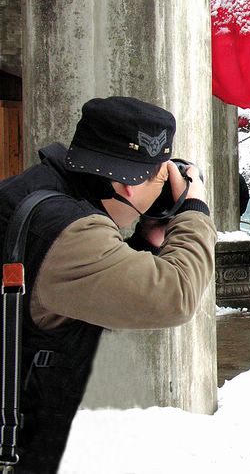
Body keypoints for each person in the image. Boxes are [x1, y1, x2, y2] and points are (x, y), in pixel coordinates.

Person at [0, 96, 216, 473]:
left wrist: (138, 243)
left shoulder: (41, 193)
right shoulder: (70, 233)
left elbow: (82, 282)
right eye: (162, 174)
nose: (167, 184)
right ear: (129, 187)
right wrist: (194, 209)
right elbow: (176, 295)